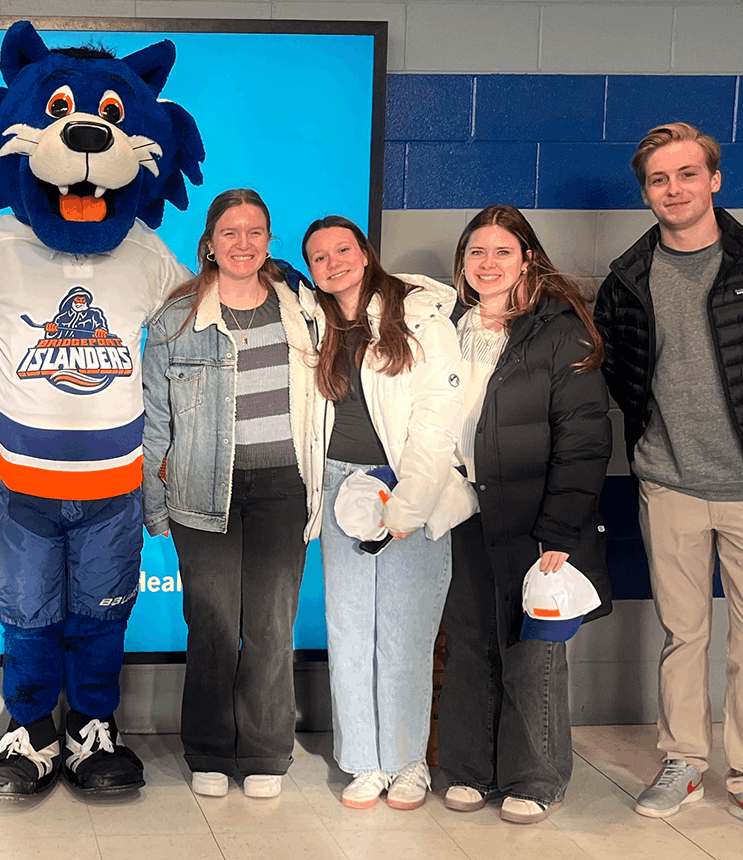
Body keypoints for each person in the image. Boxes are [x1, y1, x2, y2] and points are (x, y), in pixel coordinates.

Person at [594, 122, 743, 846]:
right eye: (660, 180)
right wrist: (660, 444)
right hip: (668, 484)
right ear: (646, 192)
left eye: (687, 175)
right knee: (684, 633)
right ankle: (683, 762)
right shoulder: (630, 274)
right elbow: (620, 371)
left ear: (714, 180)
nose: (675, 189)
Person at [142, 190, 326, 799]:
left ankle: (268, 753)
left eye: (255, 232)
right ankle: (210, 751)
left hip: (282, 487)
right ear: (210, 243)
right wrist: (155, 505)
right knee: (214, 626)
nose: (243, 243)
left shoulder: (303, 310)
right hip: (201, 490)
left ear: (269, 242)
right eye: (230, 233)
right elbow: (155, 422)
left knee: (272, 625)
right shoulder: (174, 321)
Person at [440, 205, 613, 825]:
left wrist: (560, 530)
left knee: (531, 650)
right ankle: (465, 770)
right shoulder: (445, 325)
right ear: (463, 263)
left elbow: (585, 436)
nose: (488, 265)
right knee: (468, 644)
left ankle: (535, 779)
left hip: (535, 519)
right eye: (476, 253)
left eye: (502, 253)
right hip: (461, 513)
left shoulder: (559, 330)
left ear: (527, 259)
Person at [301, 215, 470, 811]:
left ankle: (407, 763)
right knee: (350, 631)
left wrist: (410, 503)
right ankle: (364, 762)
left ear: (366, 253)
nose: (333, 263)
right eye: (319, 257)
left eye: (342, 250)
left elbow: (438, 417)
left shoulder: (420, 316)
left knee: (406, 633)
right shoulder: (314, 324)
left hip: (407, 487)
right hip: (342, 489)